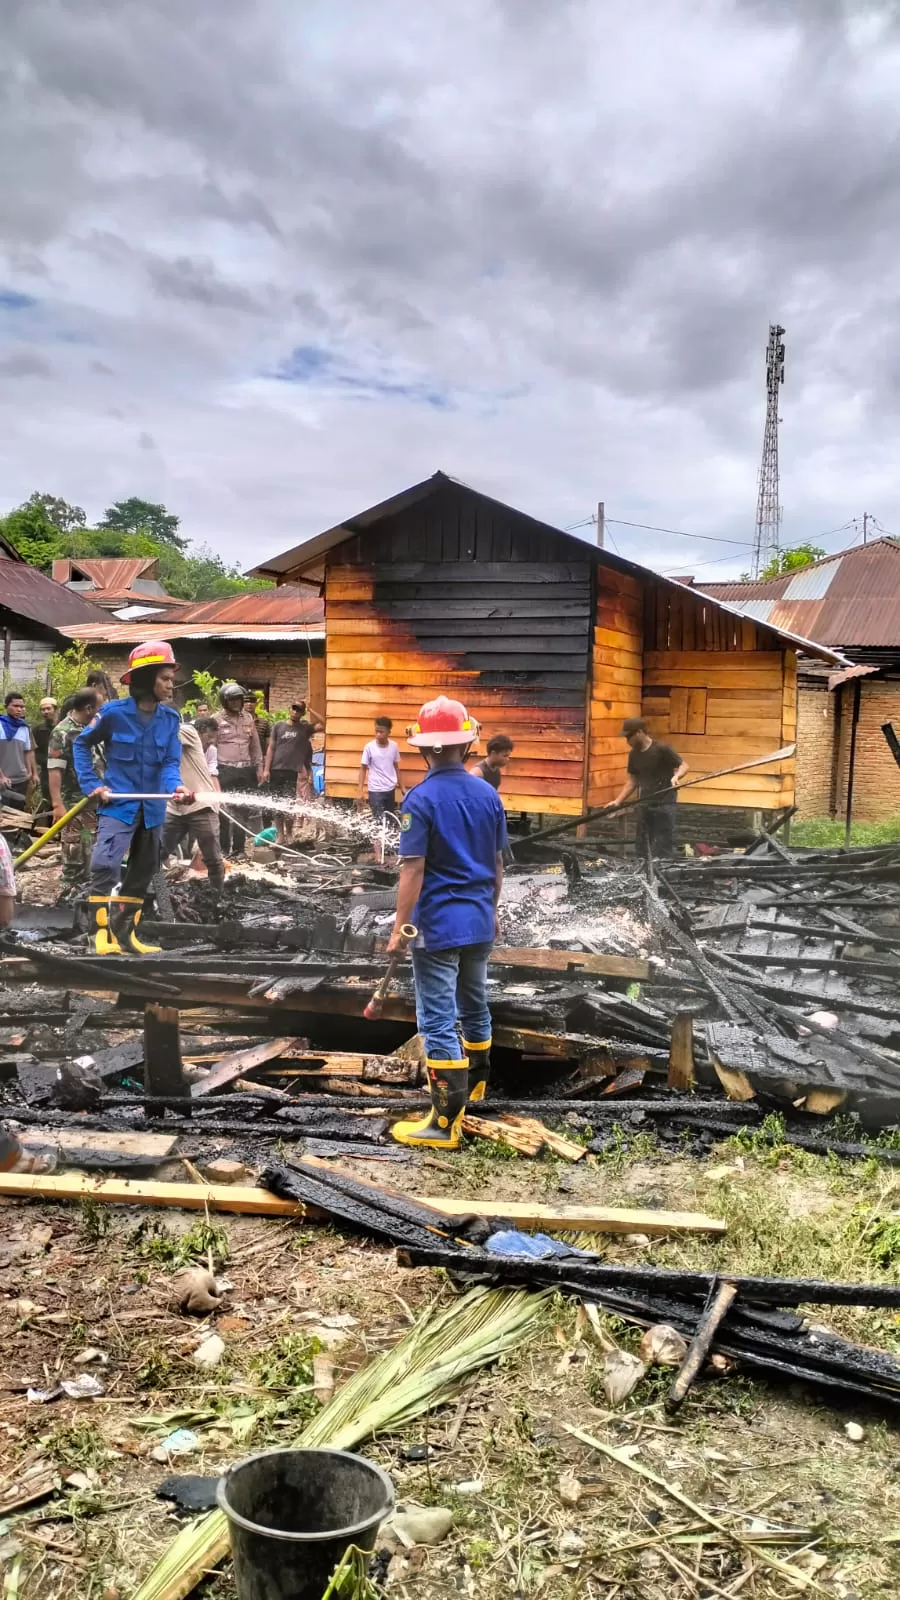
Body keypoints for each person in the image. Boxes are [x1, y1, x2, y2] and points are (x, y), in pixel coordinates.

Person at [389, 696, 507, 1150]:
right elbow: (497, 864)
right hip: (479, 918)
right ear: (468, 742)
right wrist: (491, 911)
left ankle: (444, 1124)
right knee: (474, 1003)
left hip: (437, 925)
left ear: (424, 749)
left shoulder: (419, 800)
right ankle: (476, 1085)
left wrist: (400, 927)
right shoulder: (488, 794)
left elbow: (412, 869)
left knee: (437, 1019)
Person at [74, 640, 189, 955]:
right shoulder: (113, 714)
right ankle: (99, 937)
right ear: (145, 679)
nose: (171, 684)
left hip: (152, 807)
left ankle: (126, 937)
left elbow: (169, 762)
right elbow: (81, 745)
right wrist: (91, 784)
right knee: (104, 864)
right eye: (164, 678)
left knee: (143, 870)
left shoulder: (170, 720)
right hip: (118, 805)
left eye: (171, 678)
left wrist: (175, 787)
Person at [607, 717, 688, 860]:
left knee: (663, 843)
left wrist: (676, 777)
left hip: (665, 803)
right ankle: (642, 872)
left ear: (639, 732)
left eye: (628, 736)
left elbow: (684, 766)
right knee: (642, 843)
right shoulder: (633, 755)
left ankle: (664, 871)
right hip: (644, 803)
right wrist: (618, 801)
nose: (627, 741)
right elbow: (632, 781)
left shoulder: (662, 749)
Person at [47, 687, 100, 899]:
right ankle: (68, 898)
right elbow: (54, 770)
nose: (101, 711)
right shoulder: (63, 732)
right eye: (99, 707)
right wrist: (57, 804)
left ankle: (88, 896)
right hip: (74, 803)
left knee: (94, 850)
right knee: (74, 852)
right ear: (88, 708)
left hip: (96, 802)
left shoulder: (94, 727)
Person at [162, 717, 225, 893]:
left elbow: (161, 736)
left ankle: (217, 898)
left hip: (201, 806)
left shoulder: (187, 731)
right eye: (209, 738)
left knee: (211, 856)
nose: (210, 744)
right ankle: (157, 895)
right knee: (158, 852)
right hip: (174, 808)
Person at [262, 700, 324, 845]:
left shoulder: (304, 728)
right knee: (277, 805)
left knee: (288, 804)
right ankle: (280, 836)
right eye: (294, 709)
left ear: (302, 713)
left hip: (291, 771)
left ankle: (289, 834)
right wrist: (266, 769)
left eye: (299, 710)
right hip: (275, 769)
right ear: (289, 709)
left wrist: (311, 709)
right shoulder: (278, 726)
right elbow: (271, 747)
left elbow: (324, 724)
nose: (295, 712)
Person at [212, 683, 263, 857]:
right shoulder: (216, 719)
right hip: (224, 770)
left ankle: (239, 849)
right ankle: (224, 849)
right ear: (225, 700)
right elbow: (210, 747)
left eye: (238, 699)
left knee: (243, 811)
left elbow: (255, 745)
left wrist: (259, 767)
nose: (236, 702)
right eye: (232, 699)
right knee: (224, 812)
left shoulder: (248, 718)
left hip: (245, 771)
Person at [357, 717, 400, 821]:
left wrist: (402, 788)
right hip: (375, 790)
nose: (378, 734)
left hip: (390, 788)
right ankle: (378, 837)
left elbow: (397, 767)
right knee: (378, 820)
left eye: (381, 732)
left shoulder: (394, 746)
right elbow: (363, 768)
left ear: (389, 732)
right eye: (376, 731)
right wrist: (360, 790)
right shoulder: (369, 747)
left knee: (389, 819)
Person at [0, 692, 37, 810]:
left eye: (22, 707)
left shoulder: (24, 727)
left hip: (21, 780)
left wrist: (31, 773)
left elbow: (28, 751)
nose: (19, 709)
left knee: (18, 814)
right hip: (3, 780)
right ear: (6, 707)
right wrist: (1, 776)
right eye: (15, 706)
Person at [32, 697, 58, 812]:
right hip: (46, 774)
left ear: (55, 709)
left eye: (48, 709)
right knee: (48, 802)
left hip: (64, 773)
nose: (45, 712)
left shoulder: (63, 727)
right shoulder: (37, 730)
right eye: (43, 709)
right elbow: (34, 752)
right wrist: (47, 761)